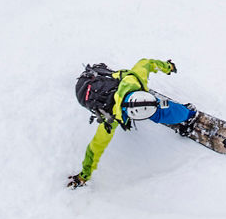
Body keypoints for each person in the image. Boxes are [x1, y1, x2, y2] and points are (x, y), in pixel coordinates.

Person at [67, 58, 192, 187]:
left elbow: (146, 63)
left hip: (97, 83)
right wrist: (84, 175)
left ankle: (184, 114)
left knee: (157, 110)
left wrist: (167, 67)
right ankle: (187, 115)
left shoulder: (135, 79)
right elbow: (95, 148)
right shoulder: (111, 119)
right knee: (160, 113)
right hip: (89, 91)